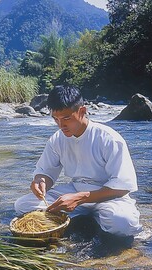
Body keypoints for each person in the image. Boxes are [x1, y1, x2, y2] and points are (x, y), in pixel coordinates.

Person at [15, 85, 142, 237]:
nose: (61, 125)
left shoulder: (108, 138)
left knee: (123, 223)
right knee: (22, 205)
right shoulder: (57, 139)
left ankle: (83, 219)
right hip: (74, 191)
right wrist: (40, 181)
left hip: (108, 196)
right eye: (56, 119)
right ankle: (85, 219)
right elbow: (46, 172)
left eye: (66, 118)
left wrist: (80, 198)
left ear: (82, 111)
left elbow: (122, 187)